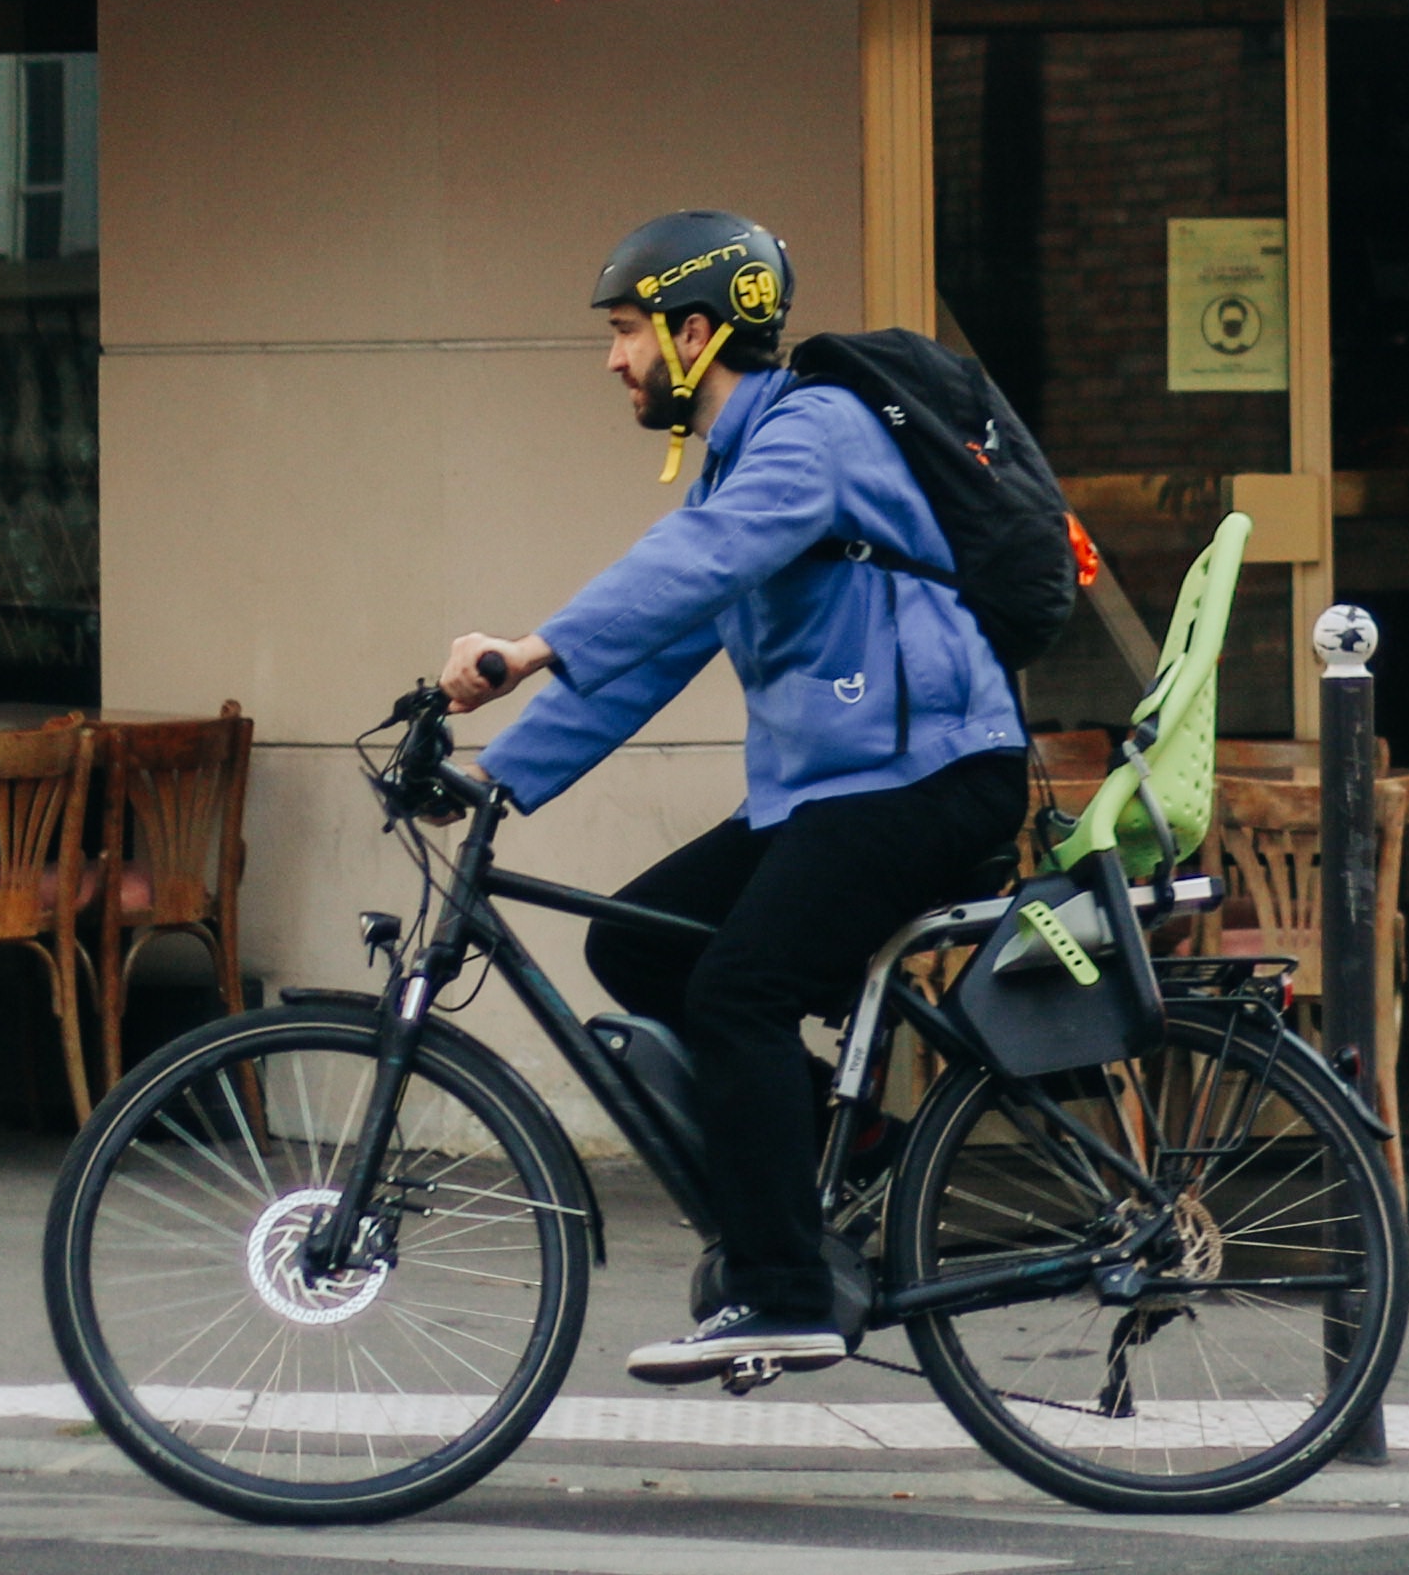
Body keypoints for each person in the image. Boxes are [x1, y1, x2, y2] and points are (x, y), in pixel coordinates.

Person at [440, 210, 1034, 1384]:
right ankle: (851, 1146)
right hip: (847, 789)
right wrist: (495, 775)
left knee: (739, 991)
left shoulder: (814, 431)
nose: (614, 360)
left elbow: (700, 562)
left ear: (696, 332)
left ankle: (780, 1291)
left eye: (626, 332)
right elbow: (663, 643)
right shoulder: (743, 461)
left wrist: (531, 644)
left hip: (931, 779)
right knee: (637, 948)